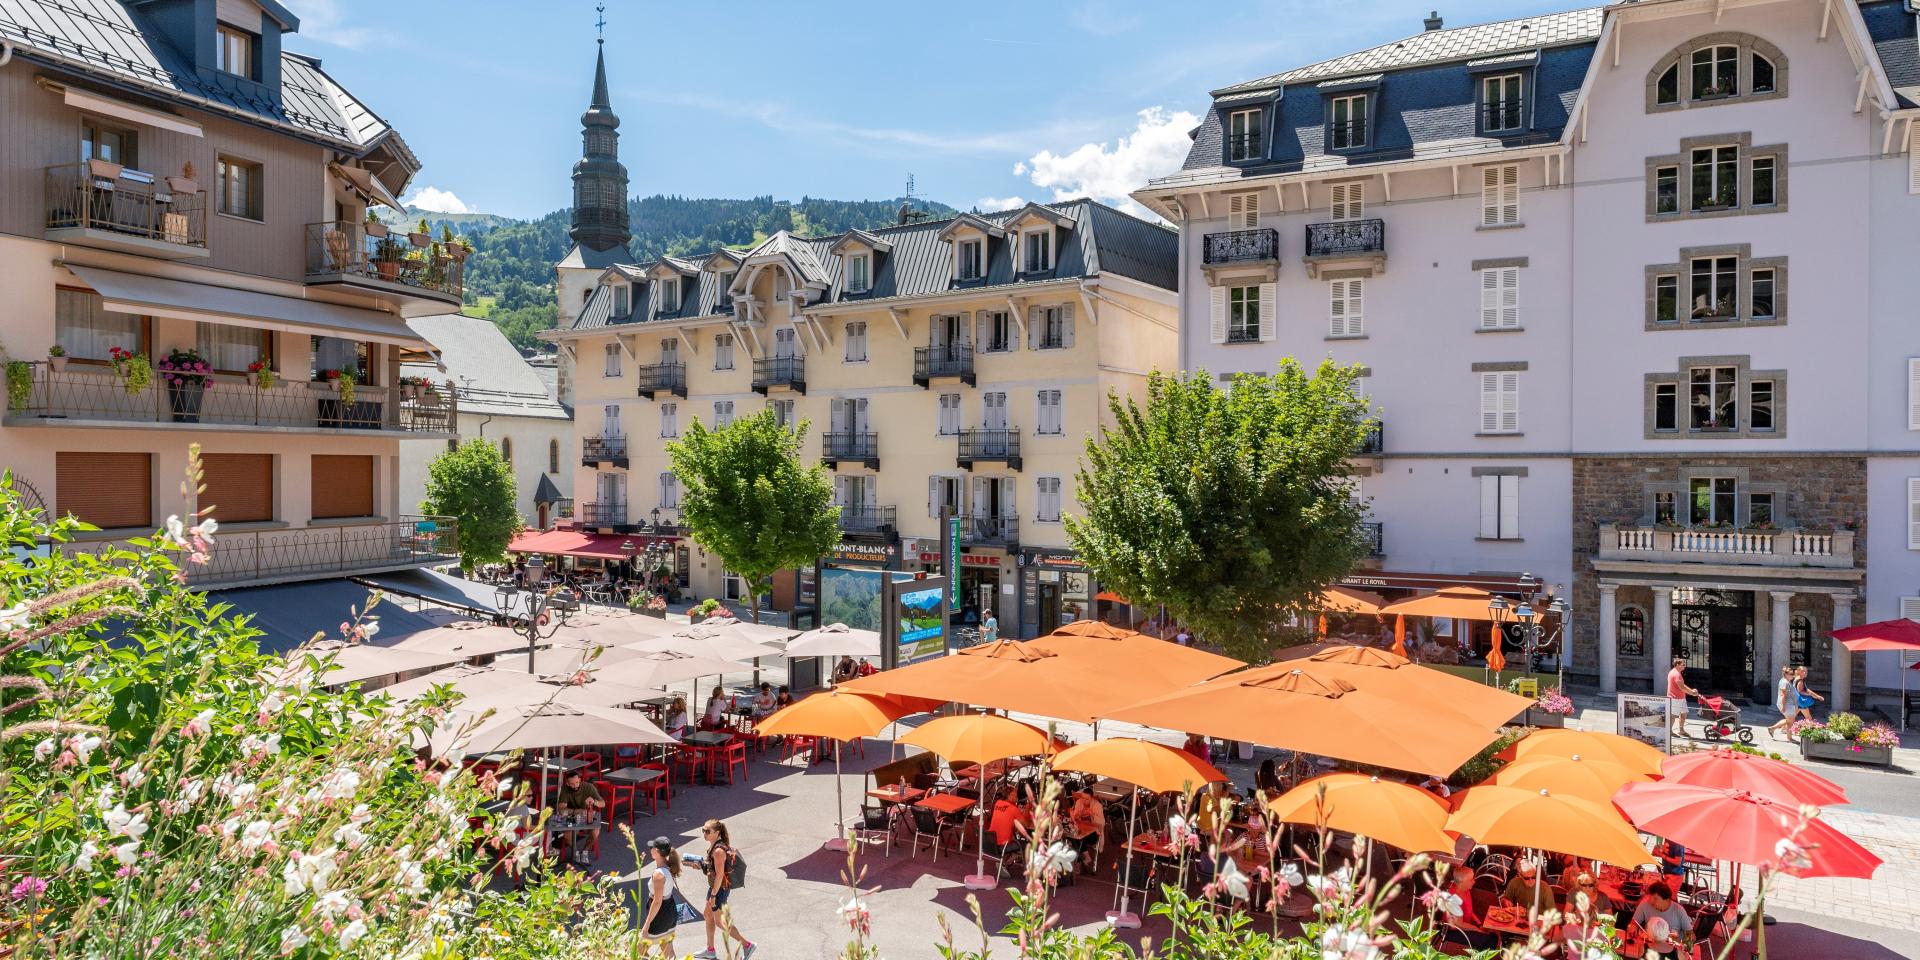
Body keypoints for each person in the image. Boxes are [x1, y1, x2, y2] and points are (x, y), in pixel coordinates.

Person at [695, 819, 755, 960]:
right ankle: (710, 949)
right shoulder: (714, 847)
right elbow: (713, 871)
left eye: (708, 831)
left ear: (717, 832)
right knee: (708, 915)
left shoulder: (718, 851)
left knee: (720, 922)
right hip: (715, 888)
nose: (704, 833)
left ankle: (747, 945)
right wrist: (701, 866)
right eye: (703, 830)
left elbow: (720, 875)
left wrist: (714, 895)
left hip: (719, 889)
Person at [638, 836, 683, 955]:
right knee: (667, 949)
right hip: (669, 911)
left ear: (656, 852)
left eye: (652, 847)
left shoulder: (659, 874)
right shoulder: (669, 866)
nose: (650, 849)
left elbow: (657, 902)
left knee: (639, 949)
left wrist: (646, 925)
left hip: (659, 915)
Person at [1440, 863, 1497, 950]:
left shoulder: (1465, 889)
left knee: (1493, 935)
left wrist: (1480, 924)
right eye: (1471, 880)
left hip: (1463, 926)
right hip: (1452, 931)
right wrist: (1476, 929)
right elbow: (1460, 924)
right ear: (1462, 881)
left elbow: (1469, 910)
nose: (1474, 881)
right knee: (1489, 940)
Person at [554, 770, 604, 867]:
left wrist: (594, 802)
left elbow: (603, 803)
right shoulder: (565, 789)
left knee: (596, 831)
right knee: (568, 835)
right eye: (572, 784)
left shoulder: (588, 787)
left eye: (577, 782)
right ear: (567, 783)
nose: (575, 785)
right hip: (572, 818)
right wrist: (577, 811)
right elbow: (561, 809)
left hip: (586, 817)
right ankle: (576, 852)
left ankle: (584, 851)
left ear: (580, 780)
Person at [1630, 881, 1695, 955]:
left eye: (1655, 898)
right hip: (1650, 947)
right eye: (1650, 897)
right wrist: (1633, 926)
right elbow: (1634, 923)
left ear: (1667, 899)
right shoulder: (1645, 905)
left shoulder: (1679, 910)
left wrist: (1686, 950)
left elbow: (1690, 934)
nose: (1651, 901)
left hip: (1671, 951)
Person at [987, 786, 1034, 866]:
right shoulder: (1013, 809)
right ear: (1010, 795)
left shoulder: (997, 803)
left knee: (1015, 836)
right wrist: (1028, 808)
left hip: (990, 843)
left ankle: (1009, 858)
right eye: (1015, 795)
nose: (1017, 797)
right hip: (1003, 846)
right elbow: (1027, 825)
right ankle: (1012, 859)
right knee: (1028, 844)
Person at [1066, 789, 1105, 876]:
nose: (1084, 800)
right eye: (1083, 798)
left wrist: (1092, 814)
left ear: (1092, 798)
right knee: (1074, 836)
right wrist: (1076, 815)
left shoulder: (1097, 805)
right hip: (1081, 830)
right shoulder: (1079, 802)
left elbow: (1102, 823)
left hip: (1094, 833)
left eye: (1087, 799)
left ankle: (1081, 860)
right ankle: (1084, 858)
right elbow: (1075, 818)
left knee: (1079, 839)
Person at [1666, 658, 1698, 739]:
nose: (1685, 666)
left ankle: (1681, 730)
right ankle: (1668, 731)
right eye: (1683, 664)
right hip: (1675, 698)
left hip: (1680, 698)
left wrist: (1691, 690)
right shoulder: (1676, 674)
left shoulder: (1674, 672)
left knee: (1684, 713)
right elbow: (1682, 688)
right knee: (1673, 716)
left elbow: (1682, 685)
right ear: (1677, 665)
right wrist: (1692, 693)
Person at [1767, 665, 1796, 741]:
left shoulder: (1785, 681)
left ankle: (1772, 728)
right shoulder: (1785, 682)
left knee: (1789, 721)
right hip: (1787, 704)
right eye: (1791, 674)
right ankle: (1789, 738)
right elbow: (1783, 695)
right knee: (1790, 722)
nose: (1793, 676)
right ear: (1786, 674)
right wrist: (1783, 706)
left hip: (1788, 704)